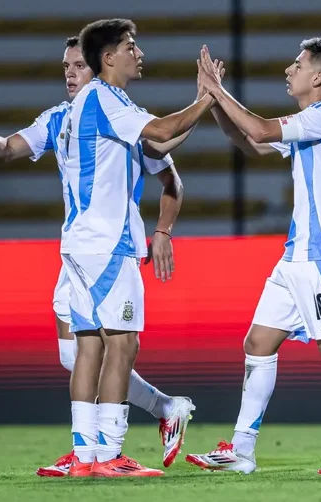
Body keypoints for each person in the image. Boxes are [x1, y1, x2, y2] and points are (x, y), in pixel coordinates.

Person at [0, 34, 197, 476]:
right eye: (65, 65)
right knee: (102, 349)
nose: (69, 72)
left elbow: (169, 175)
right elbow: (5, 149)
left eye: (77, 64)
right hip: (95, 248)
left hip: (88, 246)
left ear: (97, 65)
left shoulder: (121, 114)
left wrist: (162, 230)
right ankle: (110, 445)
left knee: (89, 351)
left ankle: (92, 451)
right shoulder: (63, 117)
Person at [184, 39, 321, 475]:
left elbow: (257, 129)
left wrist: (219, 91)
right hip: (297, 255)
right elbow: (249, 144)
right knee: (258, 343)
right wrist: (211, 100)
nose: (289, 70)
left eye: (298, 64)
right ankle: (241, 450)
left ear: (319, 77)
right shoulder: (310, 122)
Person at [60, 18, 217, 477]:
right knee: (123, 344)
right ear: (108, 58)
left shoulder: (102, 102)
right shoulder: (103, 98)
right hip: (108, 243)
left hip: (80, 242)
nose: (139, 53)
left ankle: (85, 457)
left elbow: (160, 145)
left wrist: (199, 105)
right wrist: (208, 97)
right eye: (131, 46)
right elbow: (164, 132)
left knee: (89, 345)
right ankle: (110, 455)